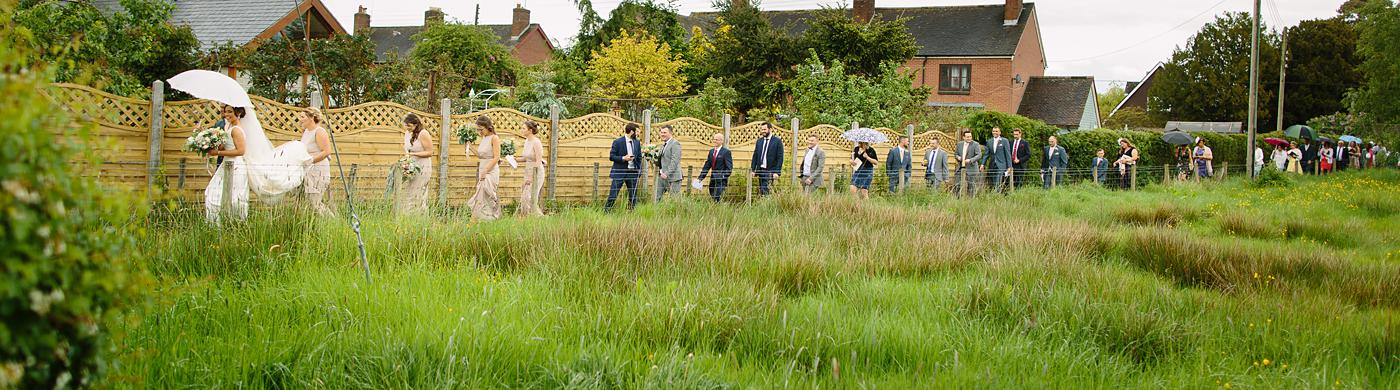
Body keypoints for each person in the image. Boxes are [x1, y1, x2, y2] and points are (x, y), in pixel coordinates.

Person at [205, 105, 249, 223]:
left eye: (230, 112)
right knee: (213, 192)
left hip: (235, 166)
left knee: (234, 198)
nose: (226, 114)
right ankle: (217, 225)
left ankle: (233, 224)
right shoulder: (229, 127)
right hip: (226, 164)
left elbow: (241, 151)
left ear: (238, 113)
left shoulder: (236, 130)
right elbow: (227, 145)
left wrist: (218, 152)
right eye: (225, 112)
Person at [395, 113, 435, 215]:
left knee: (418, 192)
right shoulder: (407, 133)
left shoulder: (423, 133)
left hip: (422, 166)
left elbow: (430, 152)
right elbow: (407, 150)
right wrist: (406, 162)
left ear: (416, 124)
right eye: (406, 125)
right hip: (411, 166)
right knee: (410, 191)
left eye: (409, 125)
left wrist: (413, 154)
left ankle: (419, 216)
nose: (407, 128)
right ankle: (411, 216)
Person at [299, 107, 334, 216]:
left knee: (315, 203)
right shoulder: (306, 132)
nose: (300, 119)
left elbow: (327, 151)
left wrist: (310, 160)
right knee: (309, 203)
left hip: (318, 171)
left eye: (302, 117)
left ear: (311, 117)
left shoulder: (319, 131)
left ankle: (333, 223)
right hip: (308, 171)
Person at [466, 116, 501, 221]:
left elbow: (496, 157)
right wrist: (470, 147)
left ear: (488, 127)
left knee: (485, 195)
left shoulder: (494, 138)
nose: (479, 132)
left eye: (481, 129)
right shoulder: (484, 138)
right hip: (482, 169)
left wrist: (486, 170)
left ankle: (479, 219)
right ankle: (480, 219)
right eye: (478, 129)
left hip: (490, 171)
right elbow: (482, 156)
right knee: (480, 195)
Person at [605, 123, 643, 211]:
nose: (637, 134)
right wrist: (623, 158)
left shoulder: (637, 142)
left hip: (633, 172)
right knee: (613, 194)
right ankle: (607, 211)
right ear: (631, 131)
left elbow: (639, 157)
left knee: (633, 195)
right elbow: (612, 157)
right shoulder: (617, 142)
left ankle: (631, 211)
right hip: (620, 172)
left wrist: (638, 170)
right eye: (636, 132)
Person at [518, 120, 546, 216]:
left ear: (530, 130)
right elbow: (526, 158)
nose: (521, 130)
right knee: (524, 196)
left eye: (523, 128)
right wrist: (513, 159)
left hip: (536, 172)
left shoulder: (536, 142)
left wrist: (531, 177)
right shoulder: (527, 141)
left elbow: (538, 161)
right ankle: (526, 217)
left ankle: (537, 218)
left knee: (530, 197)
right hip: (528, 170)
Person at [750, 122, 784, 196]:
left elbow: (780, 158)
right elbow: (755, 156)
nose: (763, 131)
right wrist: (753, 170)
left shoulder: (777, 141)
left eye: (765, 129)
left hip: (770, 170)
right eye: (762, 129)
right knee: (762, 190)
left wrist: (777, 172)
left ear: (770, 129)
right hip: (760, 170)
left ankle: (766, 204)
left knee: (766, 190)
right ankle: (764, 205)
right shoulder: (759, 141)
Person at [698, 133, 732, 202]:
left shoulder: (726, 152)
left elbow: (729, 168)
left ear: (721, 141)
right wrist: (700, 178)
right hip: (713, 179)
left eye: (717, 139)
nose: (714, 141)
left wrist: (722, 176)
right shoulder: (711, 152)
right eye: (714, 139)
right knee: (712, 195)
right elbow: (707, 166)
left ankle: (719, 210)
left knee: (717, 198)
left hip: (721, 181)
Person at [654, 125, 683, 200]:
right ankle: (657, 212)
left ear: (670, 133)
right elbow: (661, 160)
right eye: (661, 132)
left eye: (664, 132)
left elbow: (675, 161)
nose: (662, 134)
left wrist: (667, 173)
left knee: (674, 200)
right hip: (662, 176)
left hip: (673, 177)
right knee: (657, 198)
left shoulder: (675, 144)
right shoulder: (663, 145)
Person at [953, 130, 983, 197]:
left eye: (970, 137)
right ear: (963, 137)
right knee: (957, 185)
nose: (969, 138)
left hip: (972, 168)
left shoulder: (975, 144)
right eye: (967, 137)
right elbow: (955, 154)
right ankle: (957, 200)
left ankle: (971, 201)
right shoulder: (959, 144)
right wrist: (958, 157)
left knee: (971, 186)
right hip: (961, 168)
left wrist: (970, 160)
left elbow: (979, 155)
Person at [984, 127, 1012, 192]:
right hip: (992, 165)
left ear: (1000, 132)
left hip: (1001, 165)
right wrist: (983, 164)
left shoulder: (1004, 141)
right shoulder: (989, 141)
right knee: (993, 182)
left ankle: (997, 195)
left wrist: (1009, 166)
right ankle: (995, 195)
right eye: (993, 131)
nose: (995, 132)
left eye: (996, 131)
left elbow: (1008, 154)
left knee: (998, 181)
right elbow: (986, 154)